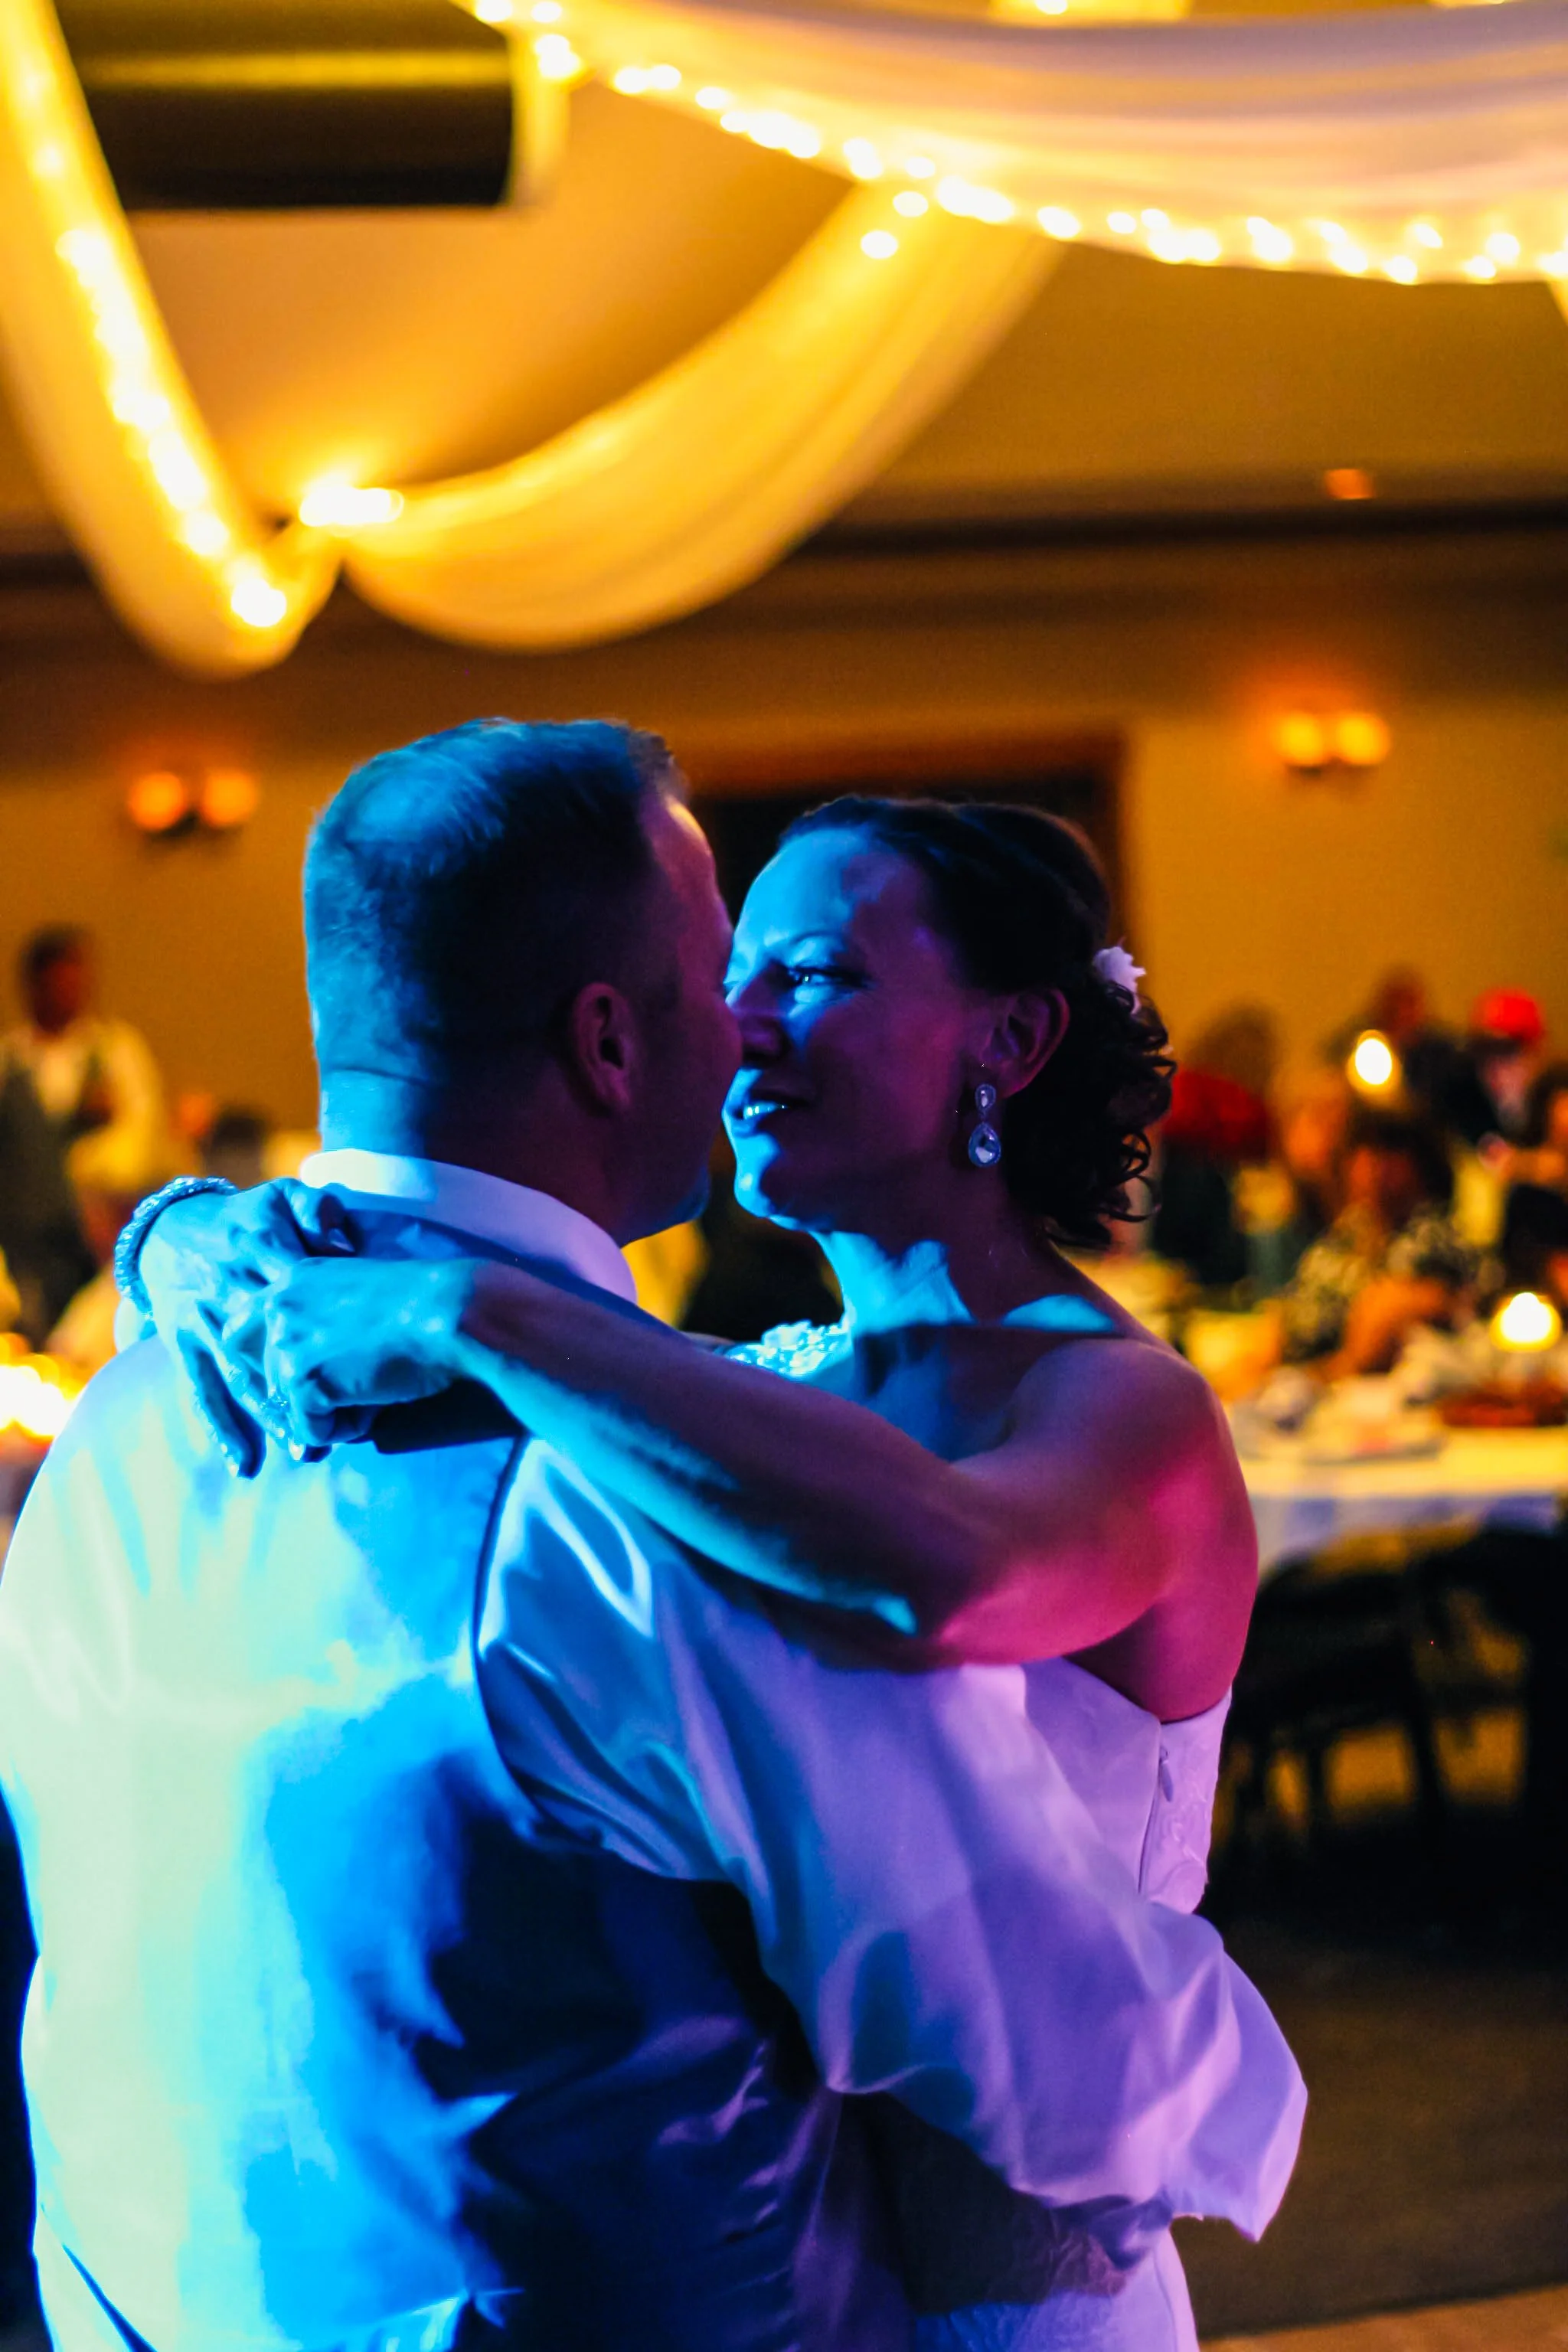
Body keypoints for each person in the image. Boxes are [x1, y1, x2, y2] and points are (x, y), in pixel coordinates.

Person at [126, 736, 1302, 2345]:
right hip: (778, 2245)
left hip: (1017, 2263)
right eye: (734, 969)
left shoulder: (1119, 1410)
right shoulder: (761, 1393)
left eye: (815, 974)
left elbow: (946, 1573)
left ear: (1010, 1038)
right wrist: (190, 1240)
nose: (743, 1022)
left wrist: (465, 1304)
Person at [1275, 1109, 1475, 1374]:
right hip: (1298, 1385)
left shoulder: (1433, 1238)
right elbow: (1283, 1325)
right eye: (1361, 1152)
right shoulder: (1340, 1240)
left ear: (1421, 1165)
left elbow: (1365, 1353)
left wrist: (1283, 1383)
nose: (1371, 1168)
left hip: (1359, 1399)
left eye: (1388, 1154)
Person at [2, 929, 168, 1202]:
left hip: (97, 1213)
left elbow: (143, 1131)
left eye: (76, 981)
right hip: (18, 1215)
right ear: (35, 984)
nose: (70, 991)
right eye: (59, 982)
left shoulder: (116, 1051)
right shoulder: (9, 1057)